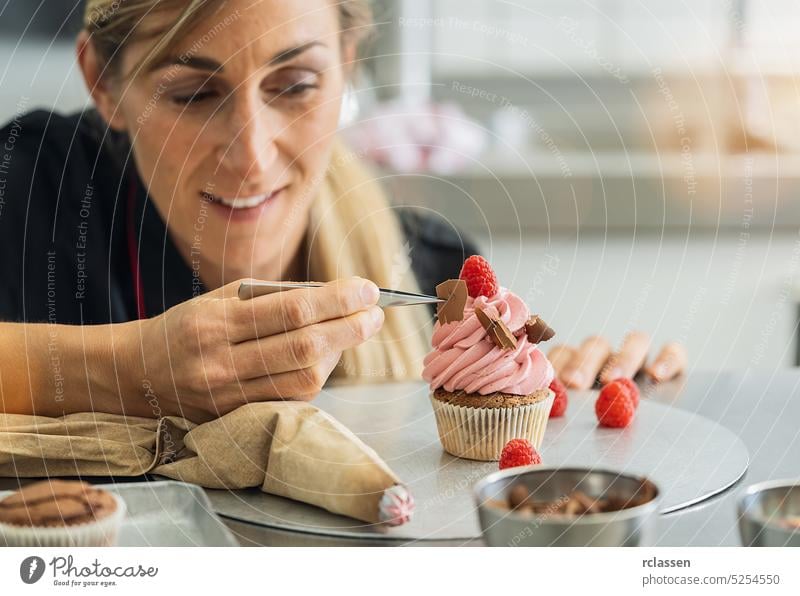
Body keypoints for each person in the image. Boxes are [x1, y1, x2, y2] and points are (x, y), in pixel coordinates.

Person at [0, 0, 681, 423]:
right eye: (192, 95)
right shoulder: (37, 193)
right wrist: (133, 371)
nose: (254, 157)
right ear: (103, 82)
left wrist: (567, 400)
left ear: (347, 64)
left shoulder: (435, 272)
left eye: (295, 86)